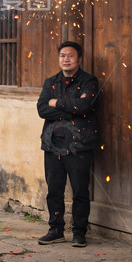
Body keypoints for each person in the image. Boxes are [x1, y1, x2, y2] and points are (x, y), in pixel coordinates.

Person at [36, 41, 99, 248]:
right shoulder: (50, 82)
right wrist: (71, 107)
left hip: (79, 145)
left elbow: (84, 106)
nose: (66, 59)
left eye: (70, 56)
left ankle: (79, 232)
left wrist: (57, 103)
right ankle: (56, 230)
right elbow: (42, 109)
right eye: (62, 55)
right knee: (54, 190)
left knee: (80, 190)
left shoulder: (89, 81)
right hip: (52, 144)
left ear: (79, 59)